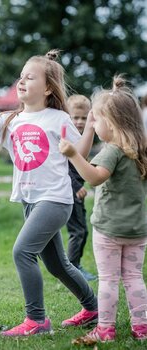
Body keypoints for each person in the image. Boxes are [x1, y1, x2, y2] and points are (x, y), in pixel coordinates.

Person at [0, 49, 98, 337]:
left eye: (30, 77)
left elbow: (80, 153)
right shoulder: (10, 120)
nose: (21, 81)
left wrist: (89, 127)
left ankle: (37, 320)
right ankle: (92, 309)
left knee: (22, 252)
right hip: (29, 201)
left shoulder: (59, 119)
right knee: (57, 265)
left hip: (55, 199)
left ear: (47, 88)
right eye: (21, 76)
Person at [60, 75, 147, 343]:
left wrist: (74, 155)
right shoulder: (141, 149)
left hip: (109, 229)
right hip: (138, 229)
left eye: (96, 119)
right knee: (134, 278)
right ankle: (142, 327)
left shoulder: (113, 150)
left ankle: (106, 329)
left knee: (108, 280)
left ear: (113, 122)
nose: (93, 125)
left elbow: (95, 177)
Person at [65, 95, 96, 281]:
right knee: (78, 231)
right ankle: (73, 268)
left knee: (81, 230)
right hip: (70, 191)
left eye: (84, 118)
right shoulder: (66, 139)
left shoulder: (83, 138)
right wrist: (76, 186)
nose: (79, 121)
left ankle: (71, 266)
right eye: (75, 117)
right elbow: (62, 167)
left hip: (78, 191)